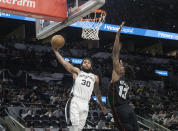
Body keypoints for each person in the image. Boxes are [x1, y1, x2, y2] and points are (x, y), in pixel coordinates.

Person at [52, 45, 108, 131]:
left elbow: (97, 93)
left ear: (91, 66)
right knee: (74, 127)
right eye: (84, 62)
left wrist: (102, 106)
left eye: (88, 63)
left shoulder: (95, 77)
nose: (86, 63)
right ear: (81, 65)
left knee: (79, 129)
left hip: (86, 104)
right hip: (75, 101)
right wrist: (56, 52)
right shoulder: (77, 72)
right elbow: (64, 63)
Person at [107, 22, 139, 131]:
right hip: (129, 109)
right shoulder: (129, 80)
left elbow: (115, 55)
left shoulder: (116, 75)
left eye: (121, 66)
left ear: (122, 70)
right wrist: (121, 65)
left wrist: (117, 35)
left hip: (119, 109)